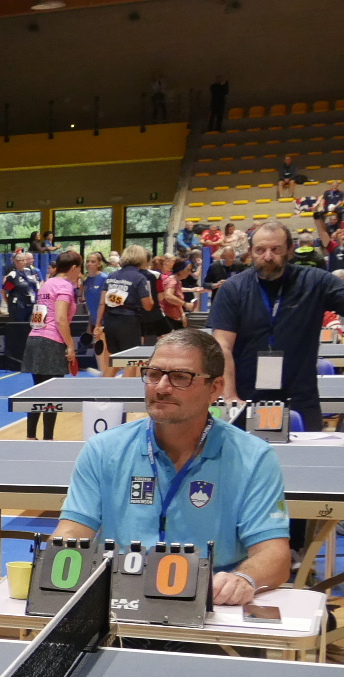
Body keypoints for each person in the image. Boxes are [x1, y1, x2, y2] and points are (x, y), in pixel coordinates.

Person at [54, 329, 290, 605]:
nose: (161, 387)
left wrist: (243, 579)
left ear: (215, 388)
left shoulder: (254, 458)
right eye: (154, 374)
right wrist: (57, 562)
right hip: (120, 599)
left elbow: (275, 554)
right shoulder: (103, 450)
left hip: (211, 603)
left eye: (180, 377)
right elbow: (72, 531)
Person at [208, 220, 344, 429]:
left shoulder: (316, 282)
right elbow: (222, 345)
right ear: (251, 252)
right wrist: (230, 397)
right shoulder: (233, 289)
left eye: (276, 249)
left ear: (290, 250)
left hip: (300, 399)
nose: (268, 256)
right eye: (260, 250)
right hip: (244, 399)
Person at [21, 250, 84, 440]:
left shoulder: (47, 283)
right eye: (79, 268)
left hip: (35, 338)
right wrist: (70, 345)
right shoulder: (65, 287)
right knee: (52, 396)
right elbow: (61, 319)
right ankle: (48, 439)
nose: (80, 273)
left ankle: (31, 437)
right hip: (52, 342)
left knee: (38, 392)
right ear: (74, 268)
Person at [98, 245, 156, 374]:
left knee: (116, 360)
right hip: (128, 322)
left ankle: (104, 385)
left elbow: (102, 303)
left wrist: (98, 324)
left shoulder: (112, 276)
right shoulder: (139, 278)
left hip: (110, 321)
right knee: (131, 360)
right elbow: (148, 305)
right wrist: (150, 295)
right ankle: (127, 387)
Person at [1, 250, 40, 369]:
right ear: (15, 262)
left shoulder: (30, 272)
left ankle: (30, 357)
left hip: (31, 304)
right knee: (18, 330)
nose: (23, 262)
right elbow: (4, 291)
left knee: (30, 329)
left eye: (24, 260)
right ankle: (16, 359)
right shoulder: (13, 275)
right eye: (20, 260)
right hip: (18, 305)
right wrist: (10, 303)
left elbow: (35, 286)